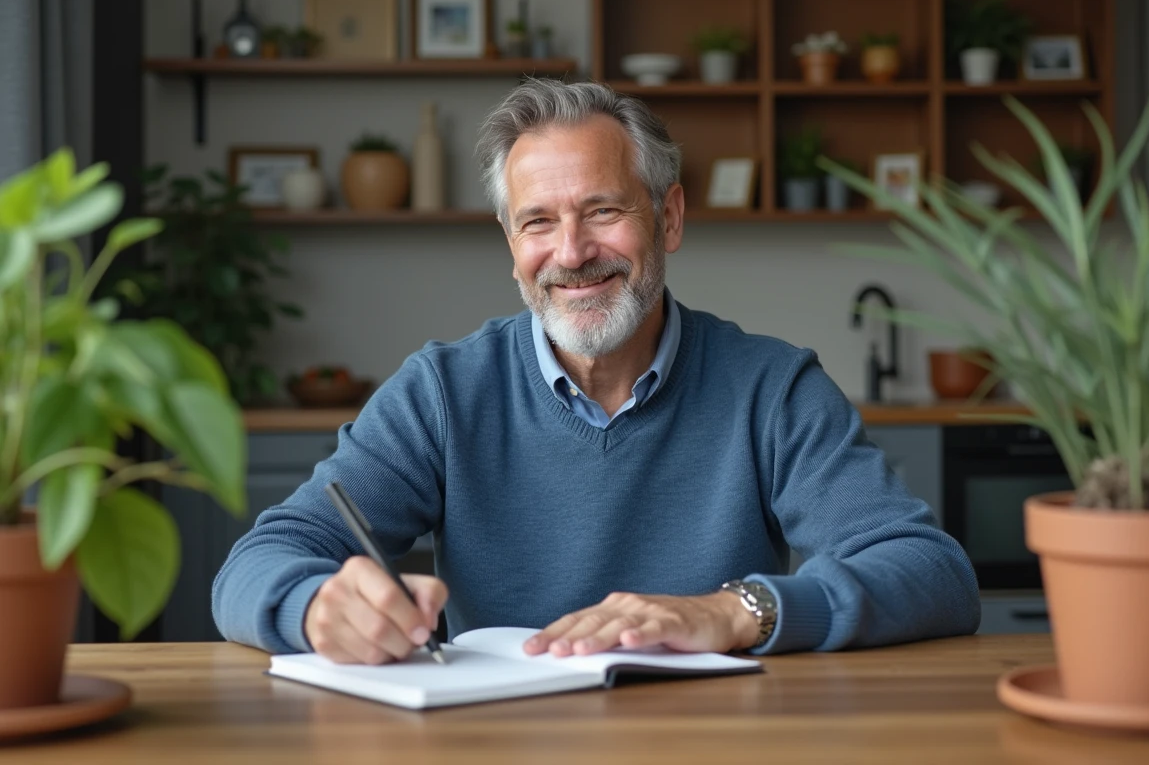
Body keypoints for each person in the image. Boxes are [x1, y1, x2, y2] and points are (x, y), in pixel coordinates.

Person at [213, 79, 980, 665]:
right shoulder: (443, 392)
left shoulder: (771, 390)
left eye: (603, 210)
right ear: (510, 244)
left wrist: (733, 612)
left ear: (669, 218)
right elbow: (256, 564)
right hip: (500, 743)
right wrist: (318, 608)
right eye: (538, 222)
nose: (572, 251)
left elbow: (932, 573)